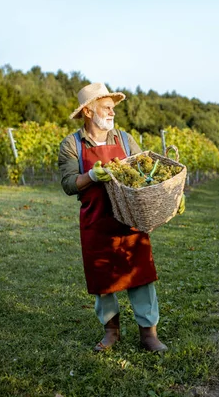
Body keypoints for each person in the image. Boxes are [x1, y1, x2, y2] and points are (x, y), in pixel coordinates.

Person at [58, 82, 167, 352]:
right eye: (106, 107)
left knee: (140, 273)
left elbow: (144, 172)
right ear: (87, 111)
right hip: (96, 220)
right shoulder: (72, 144)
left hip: (129, 218)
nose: (112, 112)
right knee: (102, 278)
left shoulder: (124, 139)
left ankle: (148, 334)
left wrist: (166, 192)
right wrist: (92, 176)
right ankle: (111, 332)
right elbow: (69, 184)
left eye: (112, 108)